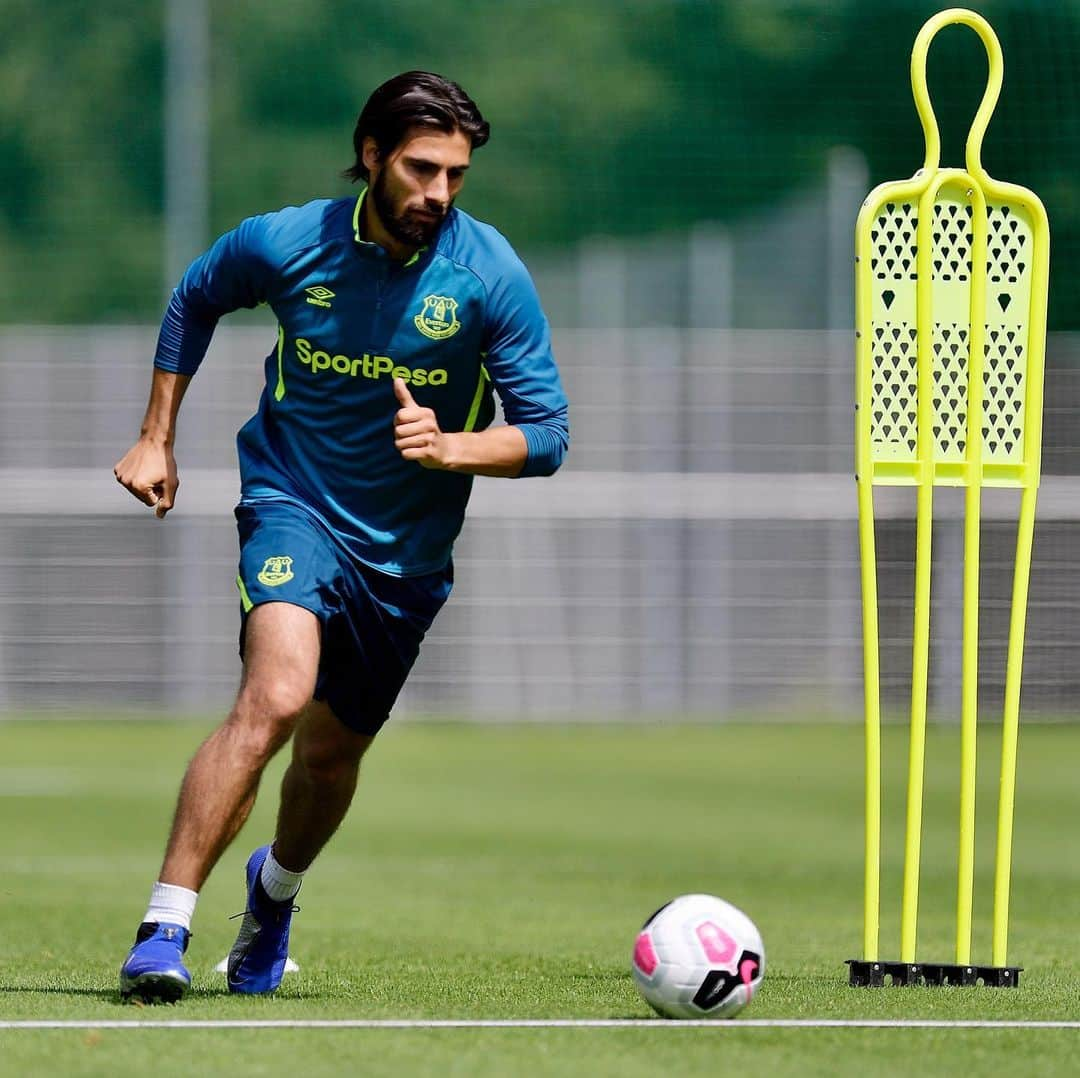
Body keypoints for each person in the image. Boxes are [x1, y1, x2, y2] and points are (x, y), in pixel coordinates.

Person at [113, 71, 569, 1004]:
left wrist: (453, 447)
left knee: (329, 757)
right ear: (371, 156)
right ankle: (164, 927)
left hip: (404, 559)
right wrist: (156, 434)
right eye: (421, 168)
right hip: (292, 503)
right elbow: (196, 297)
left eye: (456, 174)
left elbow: (549, 433)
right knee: (276, 696)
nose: (439, 192)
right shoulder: (287, 242)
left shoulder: (488, 277)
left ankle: (273, 894)